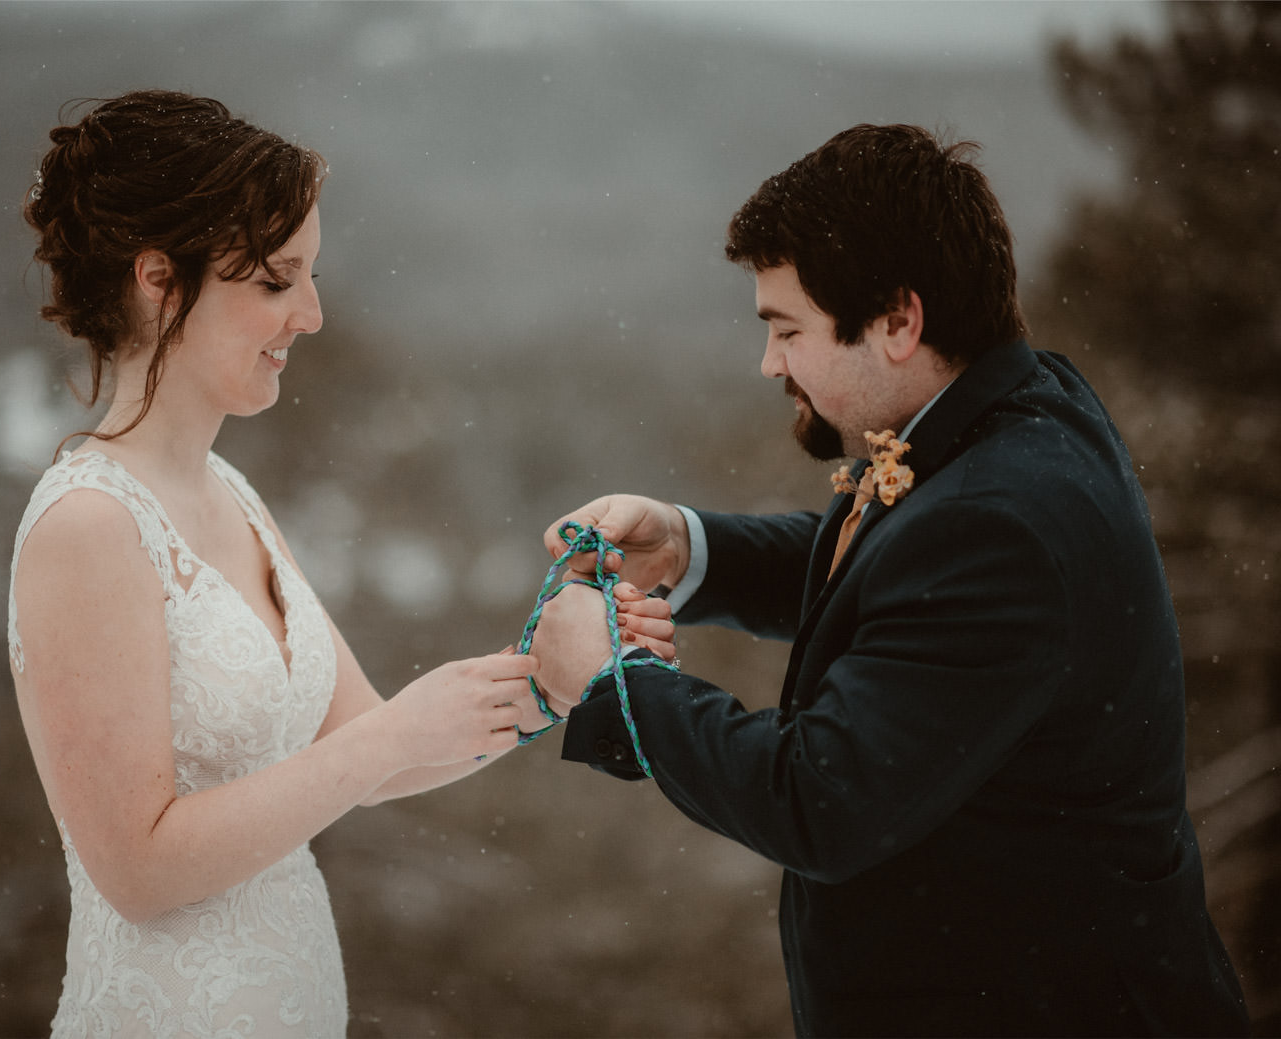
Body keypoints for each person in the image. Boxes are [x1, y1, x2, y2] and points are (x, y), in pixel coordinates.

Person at [529, 124, 1249, 1035]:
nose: (770, 362)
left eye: (788, 329)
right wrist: (686, 546)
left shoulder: (1004, 522)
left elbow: (820, 796)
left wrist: (615, 686)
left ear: (899, 322)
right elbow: (901, 577)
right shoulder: (1016, 412)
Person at [6, 89, 674, 1037]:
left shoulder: (230, 493)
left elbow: (367, 751)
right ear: (159, 278)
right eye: (277, 281)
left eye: (310, 278)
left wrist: (557, 678)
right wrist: (390, 739)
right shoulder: (88, 526)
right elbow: (140, 870)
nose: (312, 315)